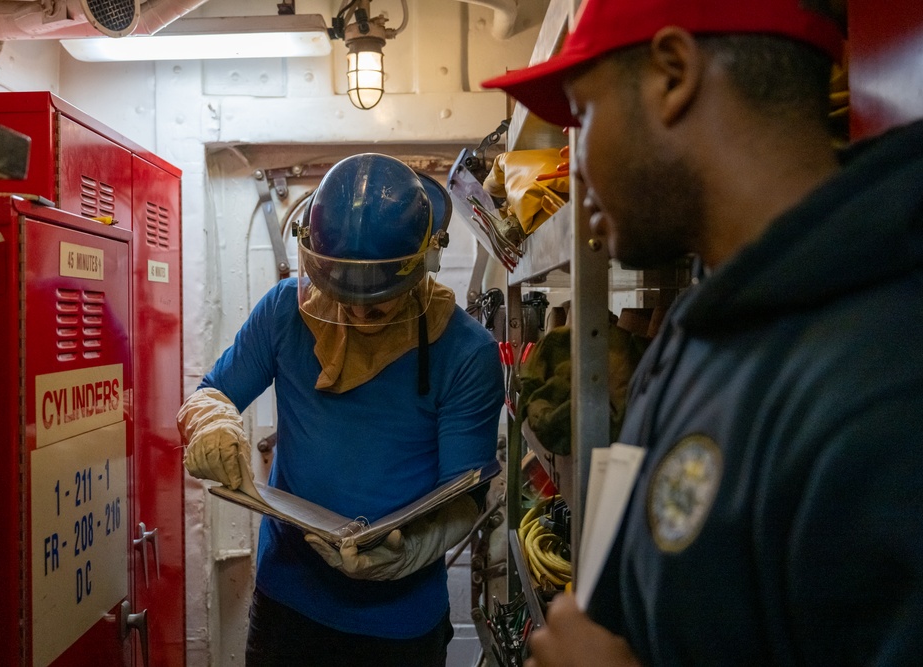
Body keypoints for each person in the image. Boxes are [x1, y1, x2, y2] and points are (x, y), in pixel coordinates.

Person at [482, 0, 923, 665]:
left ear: (672, 75)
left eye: (587, 114)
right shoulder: (699, 335)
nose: (574, 167)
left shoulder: (888, 384)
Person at [176, 152, 504, 666]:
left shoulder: (467, 352)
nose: (356, 312)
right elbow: (212, 392)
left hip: (400, 624)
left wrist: (406, 553)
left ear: (423, 262)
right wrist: (212, 424)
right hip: (287, 599)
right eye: (341, 293)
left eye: (378, 300)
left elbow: (466, 496)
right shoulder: (286, 309)